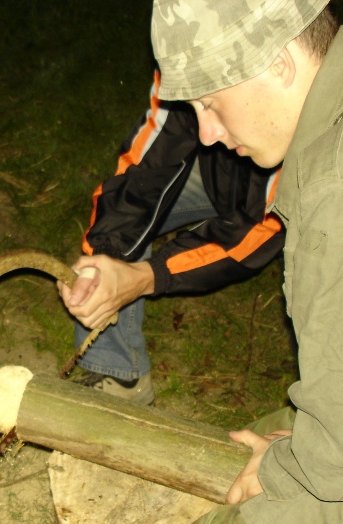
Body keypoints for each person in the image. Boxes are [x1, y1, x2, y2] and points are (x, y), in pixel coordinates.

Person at [77, 0, 343, 524]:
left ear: (281, 62)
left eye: (212, 105)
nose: (207, 133)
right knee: (266, 433)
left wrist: (290, 470)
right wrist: (111, 261)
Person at [60, 67, 284, 405]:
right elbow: (143, 172)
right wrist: (104, 259)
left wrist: (147, 276)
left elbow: (258, 228)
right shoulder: (183, 59)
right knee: (125, 225)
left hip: (286, 199)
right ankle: (118, 373)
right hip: (217, 176)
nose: (203, 134)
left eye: (210, 105)